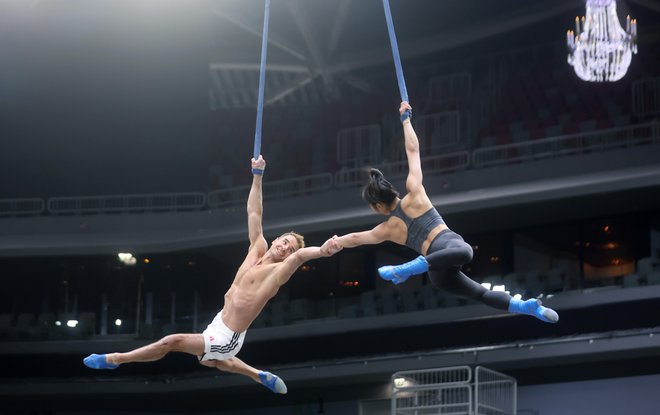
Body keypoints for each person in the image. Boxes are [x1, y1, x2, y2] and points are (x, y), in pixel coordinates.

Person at [83, 156, 343, 394]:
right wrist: (257, 175)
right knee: (214, 363)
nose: (286, 247)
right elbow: (254, 211)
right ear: (277, 239)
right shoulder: (257, 248)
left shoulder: (277, 272)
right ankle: (258, 374)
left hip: (227, 335)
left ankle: (115, 359)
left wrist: (322, 250)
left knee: (172, 342)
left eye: (290, 248)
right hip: (219, 322)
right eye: (285, 241)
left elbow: (300, 257)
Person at [325, 101, 558, 324]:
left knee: (480, 293)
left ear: (377, 206)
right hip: (446, 246)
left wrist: (335, 243)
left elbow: (356, 239)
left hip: (436, 271)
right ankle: (413, 267)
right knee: (466, 253)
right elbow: (413, 150)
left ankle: (527, 307)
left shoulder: (386, 229)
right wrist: (406, 120)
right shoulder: (414, 192)